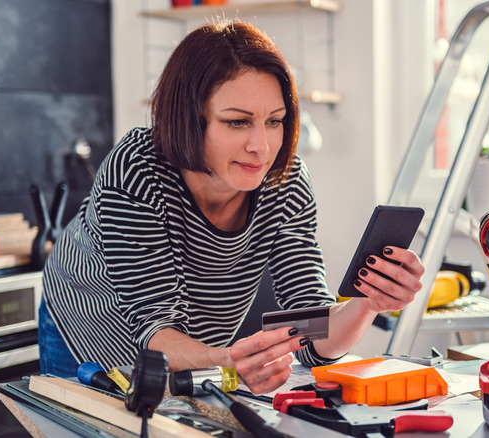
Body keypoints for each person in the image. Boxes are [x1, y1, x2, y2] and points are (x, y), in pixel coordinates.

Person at [38, 20, 425, 395]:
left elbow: (308, 330)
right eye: (238, 123)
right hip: (87, 323)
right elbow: (154, 330)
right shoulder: (137, 170)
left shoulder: (283, 179)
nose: (261, 146)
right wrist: (226, 362)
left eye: (274, 121)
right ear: (190, 119)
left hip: (194, 346)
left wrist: (367, 303)